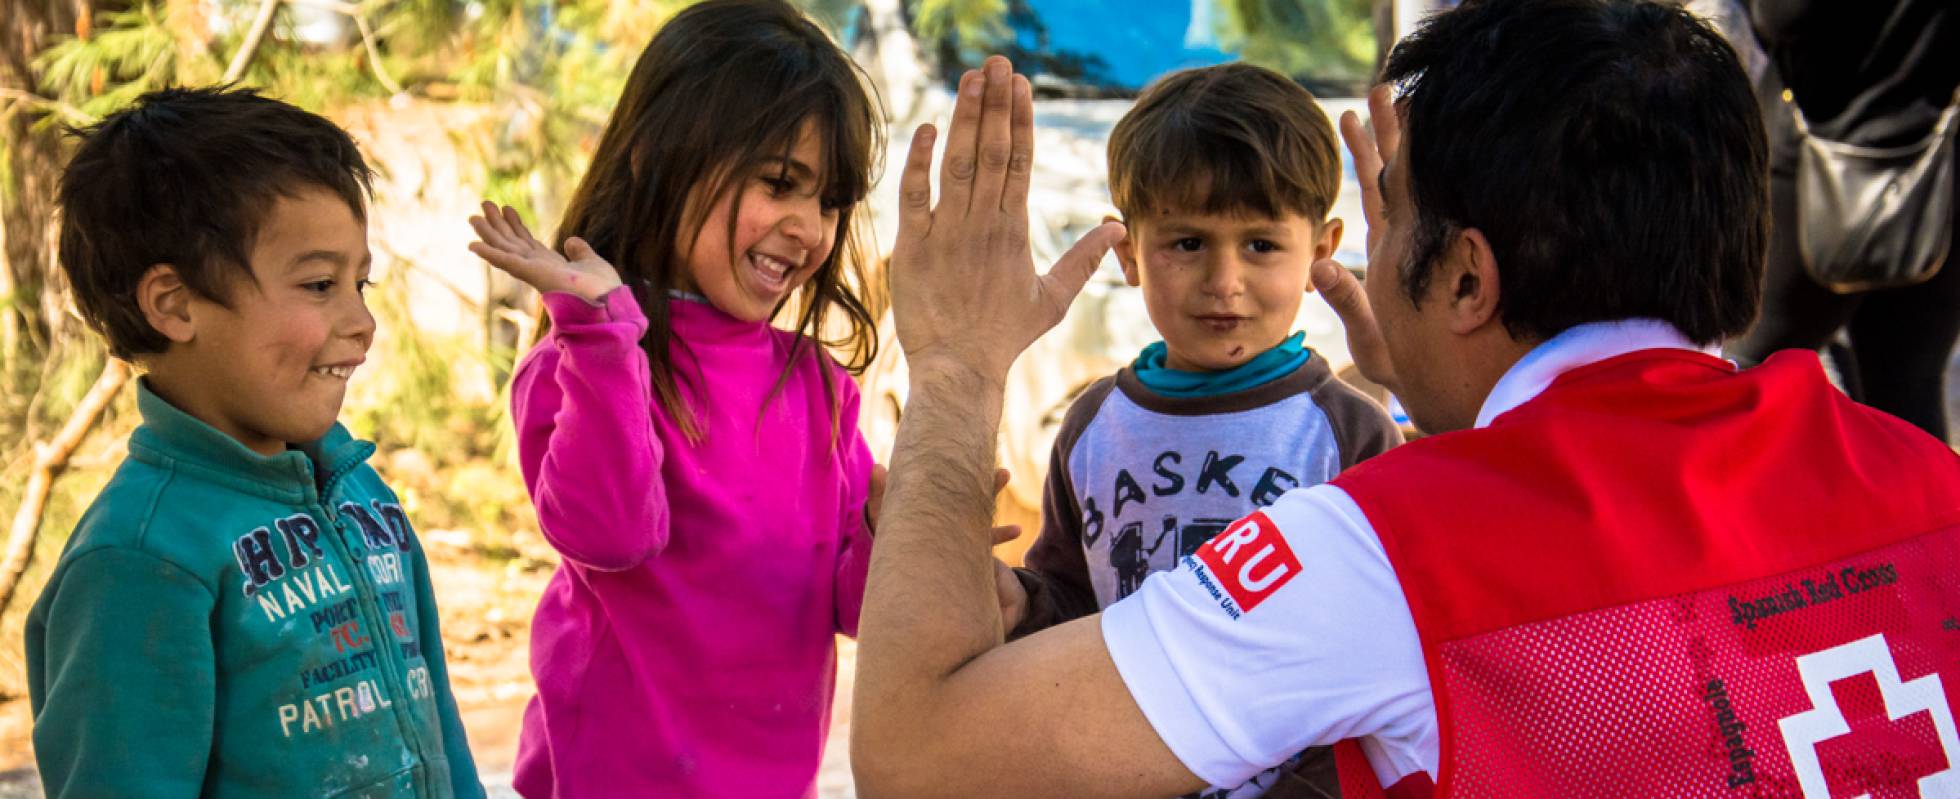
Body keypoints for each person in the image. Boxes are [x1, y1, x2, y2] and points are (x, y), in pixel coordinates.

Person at [849, 1, 1960, 796]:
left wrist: (952, 365)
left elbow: (920, 754)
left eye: (1392, 211)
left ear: (1466, 277)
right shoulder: (1927, 479)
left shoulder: (1383, 548)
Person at [464, 1, 887, 795]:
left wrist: (896, 534)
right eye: (779, 183)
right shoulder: (581, 361)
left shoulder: (818, 389)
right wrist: (600, 333)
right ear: (660, 153)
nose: (809, 227)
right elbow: (612, 533)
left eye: (828, 200)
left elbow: (855, 608)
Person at [24, 86, 482, 798]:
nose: (362, 321)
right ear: (174, 305)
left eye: (363, 282)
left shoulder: (362, 491)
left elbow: (441, 732)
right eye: (321, 283)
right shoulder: (141, 559)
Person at [1008, 62, 1399, 799]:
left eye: (1260, 244)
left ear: (1321, 250)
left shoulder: (1348, 433)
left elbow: (1374, 659)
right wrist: (1018, 602)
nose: (1224, 280)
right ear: (1129, 254)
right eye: (1187, 243)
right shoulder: (1092, 428)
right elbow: (1072, 604)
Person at [1726, 0, 1960, 441]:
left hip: (1816, 157)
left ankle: (1713, 505)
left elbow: (1782, 17)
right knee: (1905, 387)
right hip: (1940, 165)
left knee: (1745, 372)